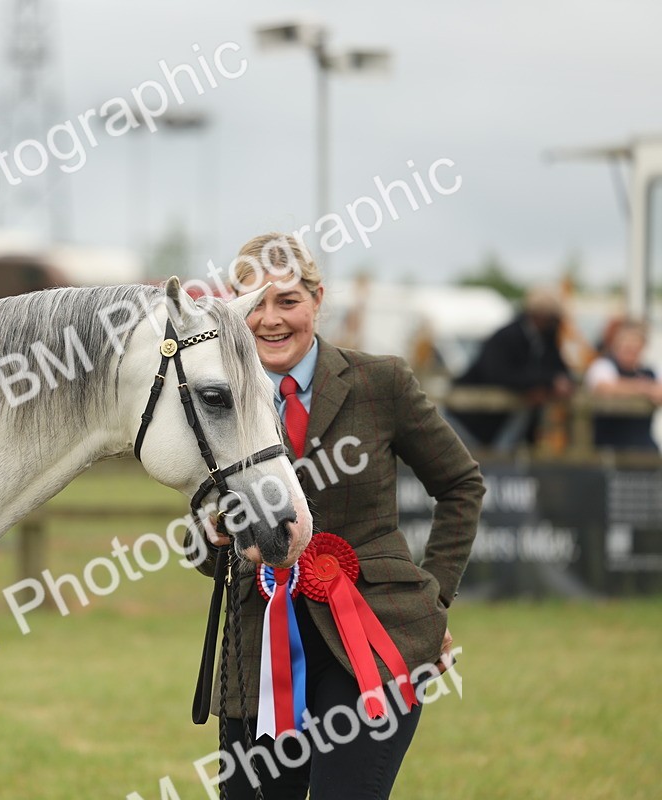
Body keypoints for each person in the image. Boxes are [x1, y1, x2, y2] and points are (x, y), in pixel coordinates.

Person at [191, 233, 485, 799]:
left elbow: (460, 484)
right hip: (257, 654)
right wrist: (210, 534)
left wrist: (435, 599)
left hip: (371, 640)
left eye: (287, 301)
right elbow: (201, 545)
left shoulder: (383, 382)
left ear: (317, 299)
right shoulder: (215, 400)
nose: (270, 320)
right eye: (253, 303)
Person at [451, 286, 574, 448]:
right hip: (472, 422)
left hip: (505, 425)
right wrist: (544, 383)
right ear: (540, 316)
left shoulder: (545, 339)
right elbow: (499, 375)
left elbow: (558, 369)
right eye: (552, 318)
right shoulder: (507, 337)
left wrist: (557, 382)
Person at [584, 319, 662, 451]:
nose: (631, 351)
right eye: (627, 346)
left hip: (642, 445)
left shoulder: (650, 371)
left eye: (635, 347)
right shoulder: (602, 366)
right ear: (617, 345)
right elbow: (604, 387)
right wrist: (643, 388)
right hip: (608, 446)